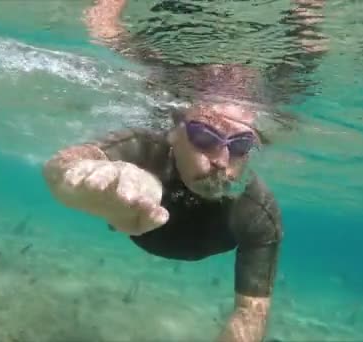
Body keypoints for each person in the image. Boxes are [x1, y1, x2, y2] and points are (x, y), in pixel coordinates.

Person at [44, 1, 326, 341]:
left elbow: (251, 312)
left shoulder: (257, 211)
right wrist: (88, 183)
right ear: (174, 131)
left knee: (306, 54)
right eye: (205, 137)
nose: (222, 160)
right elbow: (64, 165)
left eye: (239, 147)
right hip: (136, 220)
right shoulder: (147, 149)